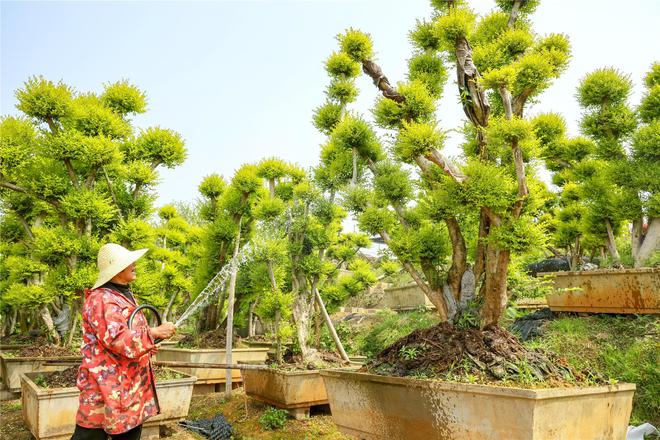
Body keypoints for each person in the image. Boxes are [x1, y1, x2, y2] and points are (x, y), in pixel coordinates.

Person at [71, 243, 177, 440]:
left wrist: (148, 344)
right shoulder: (102, 299)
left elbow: (130, 333)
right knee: (90, 435)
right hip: (105, 388)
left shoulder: (121, 294)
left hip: (127, 388)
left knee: (129, 433)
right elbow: (117, 339)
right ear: (116, 269)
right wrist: (153, 333)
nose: (135, 264)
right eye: (129, 262)